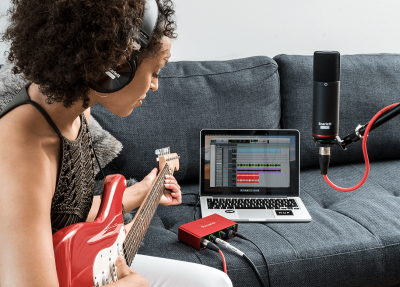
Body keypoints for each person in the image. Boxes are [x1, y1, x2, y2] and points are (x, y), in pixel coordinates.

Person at [0, 0, 233, 286]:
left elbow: (65, 211)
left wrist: (143, 191)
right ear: (116, 68)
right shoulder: (22, 154)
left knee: (213, 282)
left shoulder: (76, 110)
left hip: (76, 266)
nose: (155, 85)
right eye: (155, 71)